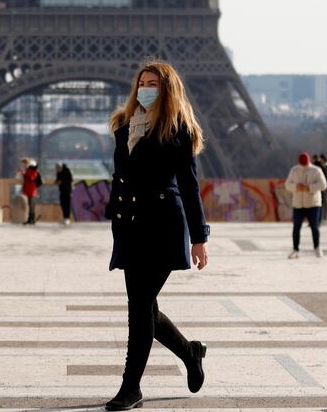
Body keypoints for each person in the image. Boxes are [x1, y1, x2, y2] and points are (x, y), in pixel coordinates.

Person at [104, 60, 210, 411]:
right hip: (131, 224)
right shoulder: (123, 125)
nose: (145, 88)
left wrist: (199, 237)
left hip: (163, 224)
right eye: (141, 82)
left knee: (139, 308)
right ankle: (190, 352)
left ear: (167, 89)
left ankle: (130, 388)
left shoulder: (177, 129)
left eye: (153, 83)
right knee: (145, 307)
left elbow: (190, 187)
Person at [285, 152, 327, 259]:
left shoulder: (316, 170)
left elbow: (323, 185)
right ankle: (295, 249)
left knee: (315, 227)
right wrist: (296, 186)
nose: (303, 166)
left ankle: (317, 248)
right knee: (296, 228)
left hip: (313, 204)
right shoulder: (294, 170)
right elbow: (287, 185)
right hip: (298, 204)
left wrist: (309, 187)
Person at [20, 158, 41, 225]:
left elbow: (31, 178)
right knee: (30, 205)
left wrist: (24, 174)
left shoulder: (34, 171)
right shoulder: (30, 170)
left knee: (31, 205)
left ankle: (32, 219)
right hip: (29, 189)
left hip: (32, 190)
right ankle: (30, 219)